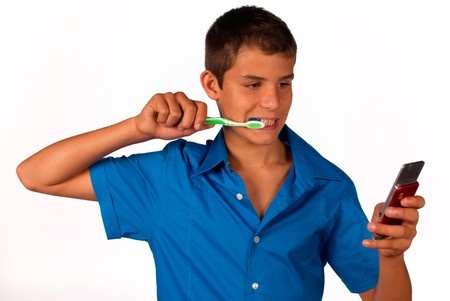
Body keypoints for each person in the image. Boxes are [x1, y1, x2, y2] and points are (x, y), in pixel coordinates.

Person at [16, 5, 425, 301]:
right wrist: (137, 129)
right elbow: (36, 175)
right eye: (252, 84)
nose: (272, 103)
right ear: (212, 85)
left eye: (284, 83)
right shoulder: (171, 176)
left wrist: (391, 257)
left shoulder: (329, 187)